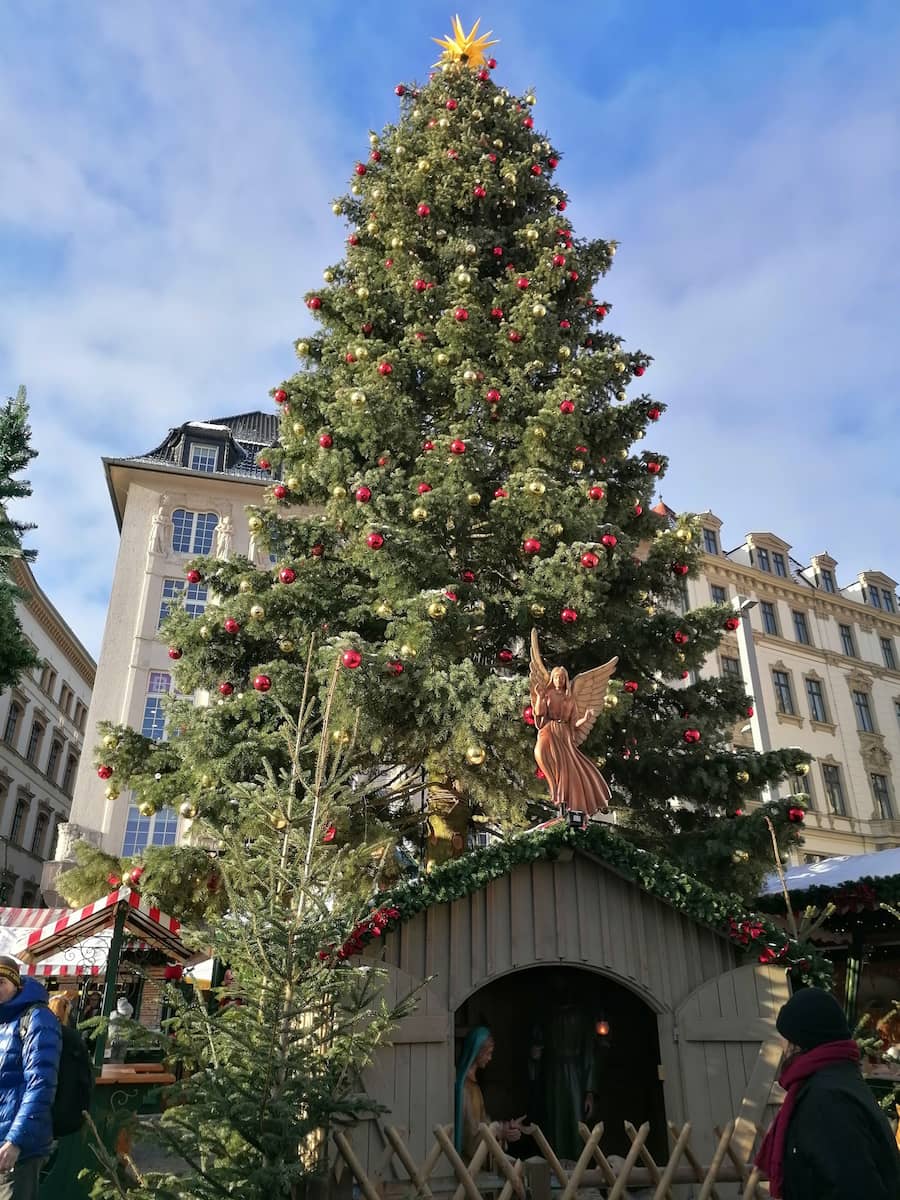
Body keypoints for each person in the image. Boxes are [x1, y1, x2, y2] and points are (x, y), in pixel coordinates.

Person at [755, 986, 900, 1199]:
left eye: (785, 1037)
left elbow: (854, 1187)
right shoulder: (840, 1082)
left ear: (800, 1042)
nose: (781, 1045)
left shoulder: (827, 1099)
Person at [0, 956, 62, 1200]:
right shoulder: (4, 1019)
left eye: (1, 981)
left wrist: (16, 1140)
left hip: (18, 1148)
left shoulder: (37, 1018)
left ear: (17, 984)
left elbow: (41, 1084)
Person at [454, 1027, 524, 1161]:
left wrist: (504, 1127)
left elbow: (482, 1122)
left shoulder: (473, 1085)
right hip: (468, 1164)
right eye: (488, 1053)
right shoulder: (465, 1089)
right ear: (478, 1052)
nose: (490, 1058)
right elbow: (471, 1135)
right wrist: (499, 1132)